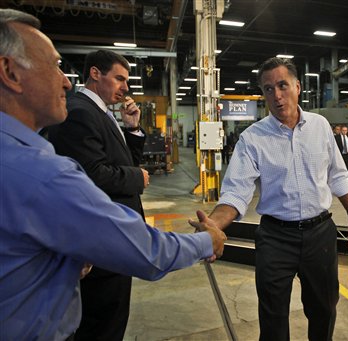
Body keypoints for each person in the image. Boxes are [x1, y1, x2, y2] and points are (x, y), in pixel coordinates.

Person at [0, 9, 226, 341]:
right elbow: (145, 250)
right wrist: (208, 239)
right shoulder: (42, 166)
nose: (65, 80)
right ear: (9, 71)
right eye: (55, 65)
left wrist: (64, 258)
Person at [189, 57, 348, 340]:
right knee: (273, 317)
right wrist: (215, 224)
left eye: (283, 85)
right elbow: (236, 192)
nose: (277, 95)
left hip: (320, 234)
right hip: (275, 238)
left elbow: (337, 175)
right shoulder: (252, 139)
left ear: (297, 86)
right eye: (268, 89)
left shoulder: (320, 127)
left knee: (324, 309)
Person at [47, 49, 149, 340]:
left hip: (114, 237)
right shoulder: (80, 112)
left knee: (112, 317)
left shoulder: (100, 112)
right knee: (102, 323)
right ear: (95, 73)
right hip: (102, 238)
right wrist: (137, 178)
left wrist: (133, 129)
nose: (125, 87)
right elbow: (91, 173)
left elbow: (121, 161)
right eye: (119, 78)